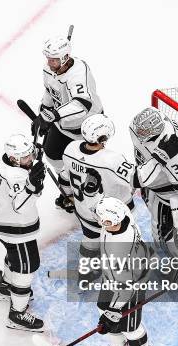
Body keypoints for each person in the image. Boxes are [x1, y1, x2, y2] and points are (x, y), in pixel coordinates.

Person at [33, 35, 103, 212]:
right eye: (48, 58)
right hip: (63, 123)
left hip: (88, 127)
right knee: (52, 154)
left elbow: (82, 104)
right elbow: (49, 91)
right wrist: (43, 113)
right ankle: (69, 191)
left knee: (89, 166)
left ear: (65, 58)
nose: (50, 62)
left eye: (54, 59)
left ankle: (95, 199)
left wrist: (53, 115)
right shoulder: (49, 69)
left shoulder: (79, 73)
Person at [61, 114, 135, 281]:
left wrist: (68, 197)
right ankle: (121, 275)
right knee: (120, 244)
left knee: (90, 240)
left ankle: (86, 273)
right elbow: (137, 179)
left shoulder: (70, 149)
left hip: (84, 211)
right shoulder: (112, 160)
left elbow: (64, 179)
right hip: (113, 214)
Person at [0, 134, 46, 332]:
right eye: (26, 157)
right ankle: (17, 314)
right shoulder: (17, 176)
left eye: (30, 155)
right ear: (13, 159)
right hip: (15, 226)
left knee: (14, 255)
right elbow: (20, 205)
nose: (31, 159)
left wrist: (33, 153)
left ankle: (6, 286)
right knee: (27, 265)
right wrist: (33, 186)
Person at [129, 107, 178, 264]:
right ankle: (172, 252)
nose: (140, 135)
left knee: (165, 231)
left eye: (144, 133)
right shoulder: (148, 124)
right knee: (163, 229)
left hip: (169, 196)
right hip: (156, 189)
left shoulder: (172, 153)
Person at [92, 196, 153, 346]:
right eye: (101, 220)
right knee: (104, 309)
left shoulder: (121, 249)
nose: (102, 224)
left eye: (106, 221)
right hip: (112, 280)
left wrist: (116, 310)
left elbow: (126, 288)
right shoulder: (124, 217)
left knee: (130, 327)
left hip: (129, 289)